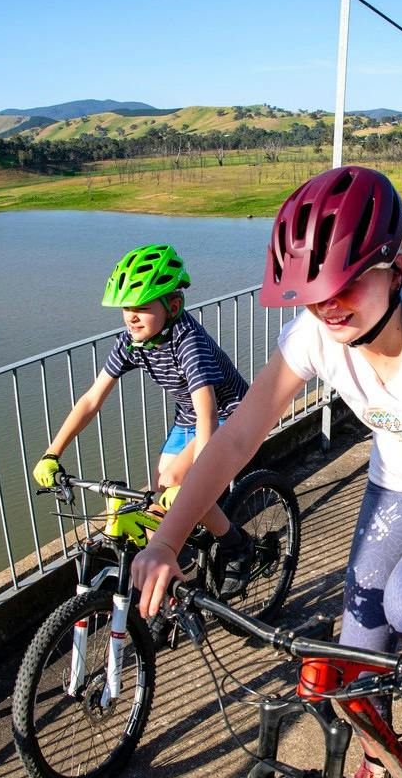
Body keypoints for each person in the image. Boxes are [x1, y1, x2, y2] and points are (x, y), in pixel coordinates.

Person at [127, 166, 402, 778]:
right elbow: (234, 440)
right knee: (352, 654)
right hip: (399, 477)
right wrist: (170, 538)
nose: (330, 306)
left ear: (397, 265)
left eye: (347, 284)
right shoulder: (316, 335)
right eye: (314, 294)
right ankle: (378, 754)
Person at [34, 243, 252, 583]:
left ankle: (237, 545)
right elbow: (92, 399)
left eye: (142, 307)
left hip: (229, 415)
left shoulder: (187, 342)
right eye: (126, 308)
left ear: (173, 305)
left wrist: (199, 477)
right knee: (156, 505)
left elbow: (208, 414)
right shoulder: (133, 341)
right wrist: (52, 452)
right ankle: (166, 602)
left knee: (180, 486)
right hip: (188, 419)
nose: (131, 316)